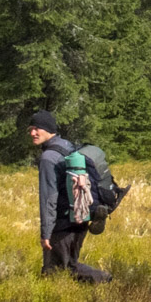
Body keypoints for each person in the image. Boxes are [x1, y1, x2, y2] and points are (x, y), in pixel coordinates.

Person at [29, 111, 111, 283]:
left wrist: (46, 233)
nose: (32, 133)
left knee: (56, 272)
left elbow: (48, 199)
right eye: (31, 129)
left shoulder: (48, 158)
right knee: (68, 267)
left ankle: (104, 280)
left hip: (64, 223)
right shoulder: (68, 146)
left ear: (49, 129)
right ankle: (103, 283)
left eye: (37, 129)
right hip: (82, 215)